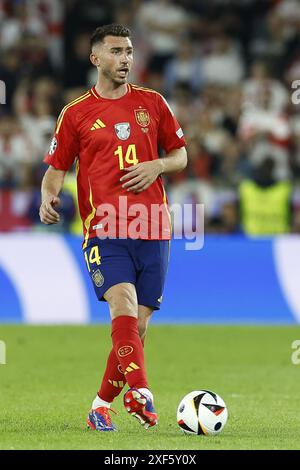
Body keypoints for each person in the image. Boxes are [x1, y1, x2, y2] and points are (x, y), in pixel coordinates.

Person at [40, 24, 187, 432]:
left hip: (154, 226)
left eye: (129, 51)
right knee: (121, 303)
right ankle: (142, 394)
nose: (125, 59)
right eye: (117, 52)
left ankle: (101, 405)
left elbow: (180, 155)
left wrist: (157, 164)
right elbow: (55, 169)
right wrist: (47, 197)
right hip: (104, 228)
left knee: (137, 328)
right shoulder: (75, 113)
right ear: (96, 59)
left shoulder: (153, 103)